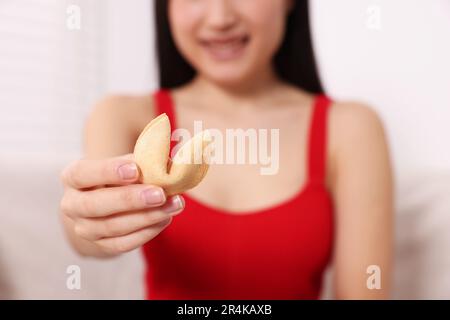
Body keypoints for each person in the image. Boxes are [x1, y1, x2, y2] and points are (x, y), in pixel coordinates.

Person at [59, 0, 393, 299]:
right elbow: (87, 240)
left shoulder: (351, 127)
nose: (220, 17)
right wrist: (85, 218)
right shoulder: (123, 116)